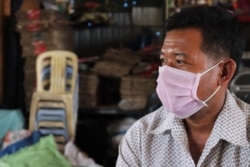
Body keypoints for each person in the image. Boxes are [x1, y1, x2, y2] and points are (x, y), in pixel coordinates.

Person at [116, 5, 250, 167]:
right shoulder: (141, 137)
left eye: (180, 61)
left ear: (224, 72)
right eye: (164, 61)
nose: (166, 74)